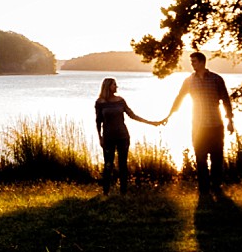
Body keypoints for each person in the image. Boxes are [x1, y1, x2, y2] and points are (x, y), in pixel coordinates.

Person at [166, 50, 234, 198]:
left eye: (194, 62)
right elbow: (180, 97)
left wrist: (230, 120)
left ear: (202, 62)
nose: (192, 65)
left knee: (217, 158)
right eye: (191, 62)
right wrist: (170, 114)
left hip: (216, 125)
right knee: (200, 158)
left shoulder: (216, 79)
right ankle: (204, 190)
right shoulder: (189, 81)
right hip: (198, 126)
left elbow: (226, 101)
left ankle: (216, 187)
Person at [93, 77, 162, 192]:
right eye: (114, 85)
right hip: (108, 137)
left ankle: (123, 192)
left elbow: (132, 115)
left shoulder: (120, 100)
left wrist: (152, 123)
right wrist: (100, 137)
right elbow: (98, 121)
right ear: (107, 86)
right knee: (108, 165)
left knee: (123, 165)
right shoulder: (100, 102)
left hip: (123, 136)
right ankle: (105, 191)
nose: (116, 87)